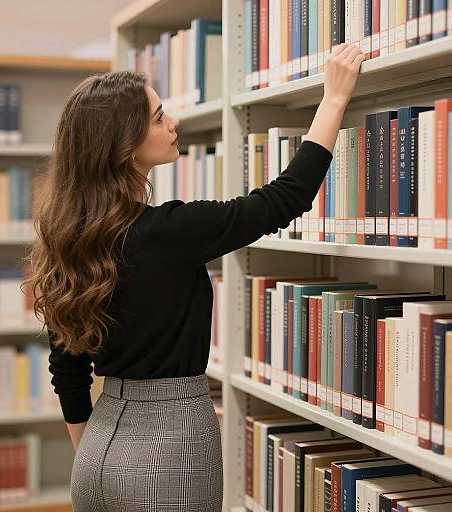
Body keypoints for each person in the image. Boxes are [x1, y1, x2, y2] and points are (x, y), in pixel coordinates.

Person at [25, 42, 365, 512]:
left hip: (97, 450)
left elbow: (68, 368)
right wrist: (334, 99)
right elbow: (285, 199)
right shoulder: (168, 231)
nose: (173, 123)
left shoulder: (71, 238)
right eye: (159, 116)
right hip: (173, 440)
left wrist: (97, 457)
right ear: (124, 145)